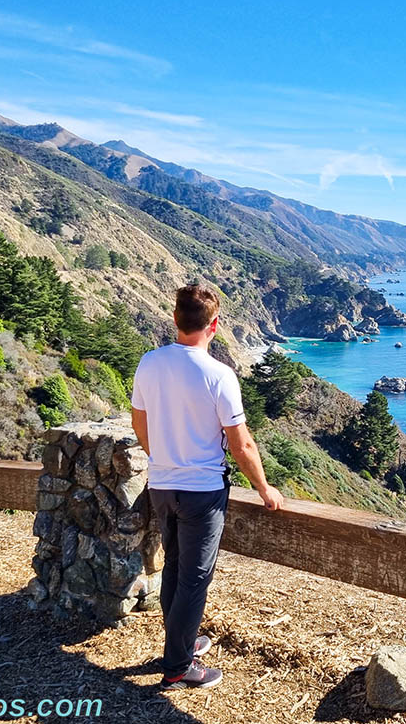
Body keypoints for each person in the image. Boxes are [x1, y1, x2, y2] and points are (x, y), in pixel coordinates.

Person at [131, 284, 285, 691]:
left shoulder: (149, 363)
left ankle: (179, 643)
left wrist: (164, 456)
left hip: (161, 484)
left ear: (176, 320)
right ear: (214, 325)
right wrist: (265, 488)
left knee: (177, 569)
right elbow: (241, 444)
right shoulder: (219, 375)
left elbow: (139, 424)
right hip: (202, 491)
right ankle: (179, 666)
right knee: (194, 579)